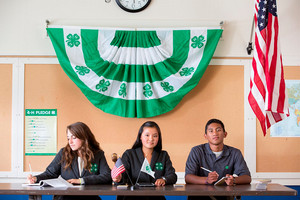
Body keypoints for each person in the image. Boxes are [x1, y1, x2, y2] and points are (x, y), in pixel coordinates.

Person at [27, 122, 112, 200]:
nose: (70, 142)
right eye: (68, 138)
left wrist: (81, 180)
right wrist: (36, 178)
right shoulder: (63, 153)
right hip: (65, 197)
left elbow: (107, 176)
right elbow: (50, 173)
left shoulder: (98, 154)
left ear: (84, 137)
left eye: (74, 138)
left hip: (89, 198)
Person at [185, 118, 251, 200]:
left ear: (225, 134)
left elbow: (247, 177)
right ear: (205, 136)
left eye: (218, 130)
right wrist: (207, 180)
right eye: (211, 131)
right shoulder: (196, 151)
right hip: (199, 196)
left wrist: (233, 180)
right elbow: (188, 177)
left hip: (224, 196)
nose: (215, 133)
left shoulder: (235, 153)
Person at [113, 121, 177, 200]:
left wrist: (164, 180)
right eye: (147, 135)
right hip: (132, 197)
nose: (151, 139)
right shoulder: (129, 154)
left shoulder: (163, 155)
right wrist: (119, 178)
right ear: (140, 137)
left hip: (155, 197)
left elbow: (172, 176)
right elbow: (124, 177)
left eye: (155, 136)